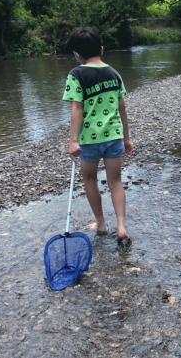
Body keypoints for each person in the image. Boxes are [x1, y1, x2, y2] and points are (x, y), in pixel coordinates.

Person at [62, 27, 132, 246]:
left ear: (76, 54)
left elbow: (77, 108)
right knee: (116, 181)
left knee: (90, 179)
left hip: (90, 140)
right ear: (101, 48)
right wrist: (127, 138)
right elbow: (122, 108)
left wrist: (73, 140)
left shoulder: (77, 74)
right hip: (114, 136)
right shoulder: (114, 73)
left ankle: (101, 223)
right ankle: (121, 227)